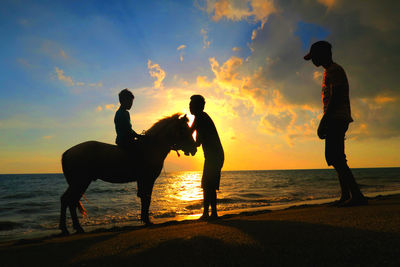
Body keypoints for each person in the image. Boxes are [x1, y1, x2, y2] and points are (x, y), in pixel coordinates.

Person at [304, 41, 367, 207]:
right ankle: (346, 195)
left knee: (335, 157)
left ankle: (356, 195)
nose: (312, 61)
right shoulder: (329, 71)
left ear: (322, 55)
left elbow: (336, 97)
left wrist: (323, 121)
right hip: (336, 118)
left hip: (336, 118)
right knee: (337, 157)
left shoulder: (335, 70)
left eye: (314, 57)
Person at [189, 95, 224, 219]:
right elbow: (195, 136)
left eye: (192, 104)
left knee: (208, 185)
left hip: (214, 156)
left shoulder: (201, 117)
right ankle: (209, 213)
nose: (189, 106)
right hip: (214, 156)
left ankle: (209, 213)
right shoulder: (200, 117)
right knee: (208, 185)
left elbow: (195, 139)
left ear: (198, 106)